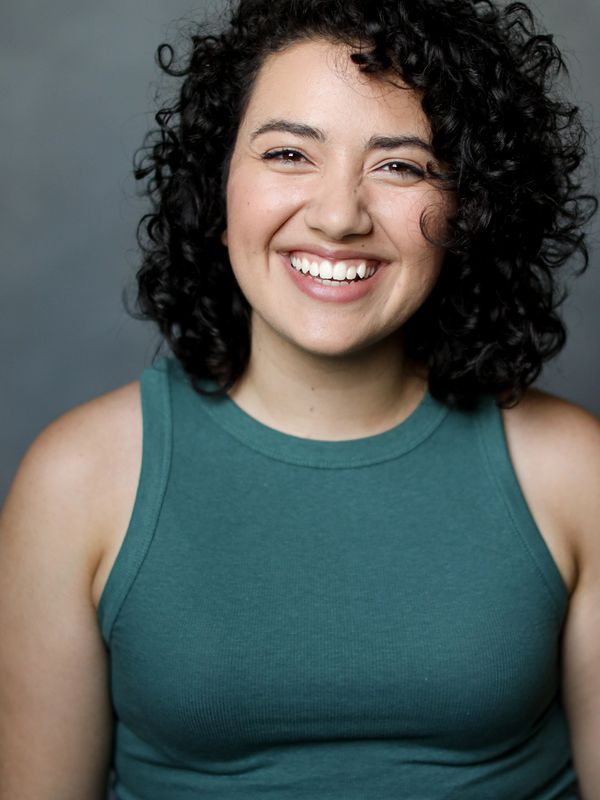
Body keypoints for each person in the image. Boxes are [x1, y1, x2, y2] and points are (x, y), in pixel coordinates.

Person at [0, 0, 598, 797]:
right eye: (289, 153)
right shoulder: (77, 480)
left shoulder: (575, 471)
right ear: (219, 187)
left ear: (471, 212)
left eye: (402, 166)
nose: (338, 215)